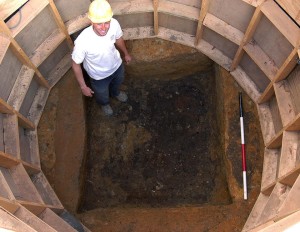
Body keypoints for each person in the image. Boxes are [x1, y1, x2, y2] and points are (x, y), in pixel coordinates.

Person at [72, 0, 132, 116]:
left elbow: (119, 39)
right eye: (99, 23)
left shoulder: (114, 24)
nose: (104, 28)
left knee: (117, 82)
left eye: (106, 22)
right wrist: (83, 86)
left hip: (117, 66)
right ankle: (104, 104)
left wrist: (126, 54)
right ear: (91, 22)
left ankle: (115, 93)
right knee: (101, 94)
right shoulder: (83, 41)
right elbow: (75, 64)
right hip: (99, 77)